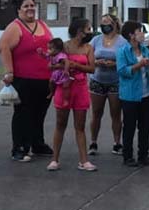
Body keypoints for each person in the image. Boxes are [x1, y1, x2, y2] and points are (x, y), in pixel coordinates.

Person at [0, 0, 54, 162]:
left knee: (39, 113)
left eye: (32, 5)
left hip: (45, 78)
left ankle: (37, 143)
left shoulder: (42, 25)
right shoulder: (15, 27)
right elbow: (3, 47)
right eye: (26, 6)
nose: (30, 8)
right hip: (24, 79)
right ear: (19, 9)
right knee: (23, 114)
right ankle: (19, 147)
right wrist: (9, 71)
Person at [46, 18, 97, 172]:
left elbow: (92, 69)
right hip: (64, 86)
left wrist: (77, 65)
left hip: (80, 87)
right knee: (60, 123)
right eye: (88, 29)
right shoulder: (65, 47)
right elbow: (52, 63)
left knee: (80, 126)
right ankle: (55, 159)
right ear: (79, 31)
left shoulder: (88, 48)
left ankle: (84, 160)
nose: (90, 32)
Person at [116, 21, 149, 167]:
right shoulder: (123, 51)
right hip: (129, 95)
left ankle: (143, 155)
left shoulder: (144, 49)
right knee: (129, 126)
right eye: (139, 31)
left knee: (145, 126)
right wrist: (138, 65)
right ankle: (127, 156)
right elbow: (122, 71)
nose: (142, 34)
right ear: (131, 35)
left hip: (146, 94)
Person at [88, 14, 127, 156]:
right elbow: (88, 57)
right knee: (96, 112)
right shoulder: (96, 40)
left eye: (107, 22)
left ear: (115, 24)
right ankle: (93, 142)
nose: (104, 25)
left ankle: (117, 143)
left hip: (115, 81)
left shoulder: (122, 41)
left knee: (115, 113)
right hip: (97, 79)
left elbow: (128, 60)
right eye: (102, 22)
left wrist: (115, 64)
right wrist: (95, 62)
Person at [44, 38, 72, 108]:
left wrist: (66, 70)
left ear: (57, 50)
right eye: (48, 48)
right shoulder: (52, 55)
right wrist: (41, 53)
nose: (48, 50)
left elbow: (67, 62)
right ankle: (51, 92)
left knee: (66, 86)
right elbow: (45, 56)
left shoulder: (61, 55)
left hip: (63, 74)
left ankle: (66, 99)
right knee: (51, 81)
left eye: (50, 49)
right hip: (56, 73)